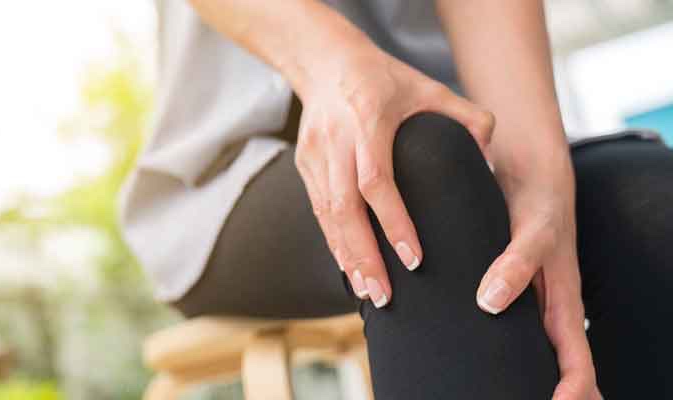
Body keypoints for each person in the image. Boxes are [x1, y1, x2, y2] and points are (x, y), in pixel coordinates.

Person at [120, 1, 673, 398]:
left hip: (467, 120)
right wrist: (334, 64)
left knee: (651, 199)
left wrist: (538, 183)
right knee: (410, 175)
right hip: (233, 172)